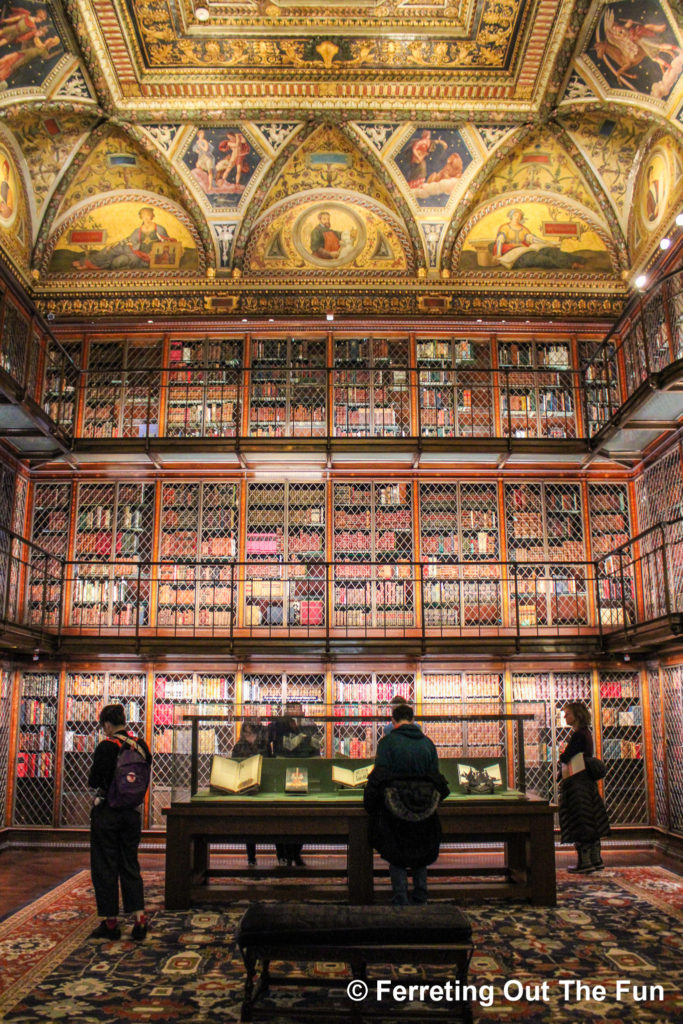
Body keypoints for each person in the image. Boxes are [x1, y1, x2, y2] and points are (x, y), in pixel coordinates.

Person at [364, 703, 449, 906]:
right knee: (421, 850)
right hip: (424, 807)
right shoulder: (428, 744)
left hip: (396, 808)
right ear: (413, 720)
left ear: (393, 721)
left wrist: (371, 802)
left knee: (397, 852)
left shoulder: (387, 743)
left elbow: (380, 775)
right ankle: (421, 897)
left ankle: (400, 898)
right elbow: (435, 776)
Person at [88, 703, 152, 940]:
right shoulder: (141, 745)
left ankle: (111, 923)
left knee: (105, 866)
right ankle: (139, 918)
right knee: (130, 864)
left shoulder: (107, 746)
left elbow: (94, 781)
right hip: (132, 814)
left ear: (107, 724)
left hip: (108, 813)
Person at [558, 701, 610, 874]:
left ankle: (585, 862)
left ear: (577, 715)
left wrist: (562, 756)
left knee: (580, 819)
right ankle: (596, 859)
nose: (565, 717)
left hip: (577, 783)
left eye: (568, 713)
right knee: (590, 818)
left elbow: (567, 757)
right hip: (586, 783)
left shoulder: (578, 735)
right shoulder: (586, 733)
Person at [268, 701, 322, 866]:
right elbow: (271, 746)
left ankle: (296, 852)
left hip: (304, 771)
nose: (295, 715)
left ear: (303, 712)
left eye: (298, 712)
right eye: (292, 712)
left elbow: (317, 746)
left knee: (303, 815)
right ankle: (282, 853)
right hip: (282, 771)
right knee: (280, 815)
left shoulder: (310, 725)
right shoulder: (277, 726)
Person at [73, 206, 173, 270]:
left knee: (116, 263)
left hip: (141, 257)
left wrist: (155, 253)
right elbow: (129, 239)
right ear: (141, 217)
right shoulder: (138, 229)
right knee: (110, 249)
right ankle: (87, 262)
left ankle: (95, 265)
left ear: (152, 216)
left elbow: (167, 243)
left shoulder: (159, 229)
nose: (146, 218)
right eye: (143, 216)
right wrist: (115, 243)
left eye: (148, 216)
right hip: (132, 249)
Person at [231, 719, 268, 867]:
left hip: (262, 786)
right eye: (246, 733)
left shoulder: (263, 746)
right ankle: (251, 856)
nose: (249, 736)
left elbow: (270, 763)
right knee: (250, 824)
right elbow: (234, 765)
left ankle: (281, 856)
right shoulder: (238, 746)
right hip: (245, 788)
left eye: (251, 733)